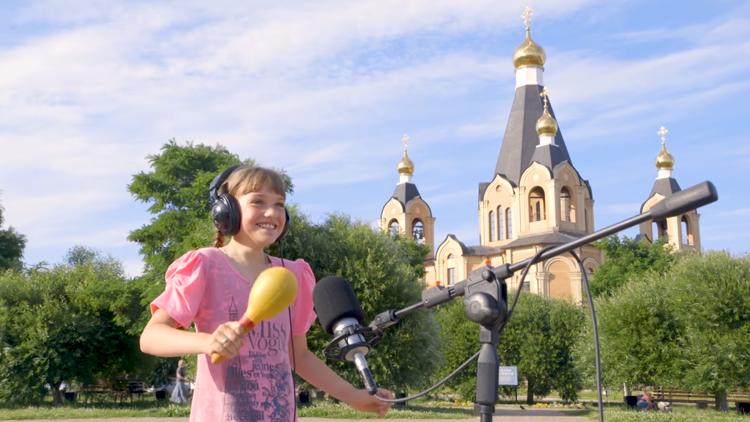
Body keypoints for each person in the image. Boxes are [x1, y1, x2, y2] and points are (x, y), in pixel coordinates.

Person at [140, 165, 393, 421]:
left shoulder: (293, 275)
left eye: (279, 204)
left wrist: (353, 396)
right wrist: (207, 342)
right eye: (258, 202)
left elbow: (300, 356)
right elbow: (151, 337)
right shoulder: (205, 265)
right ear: (227, 210)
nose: (271, 212)